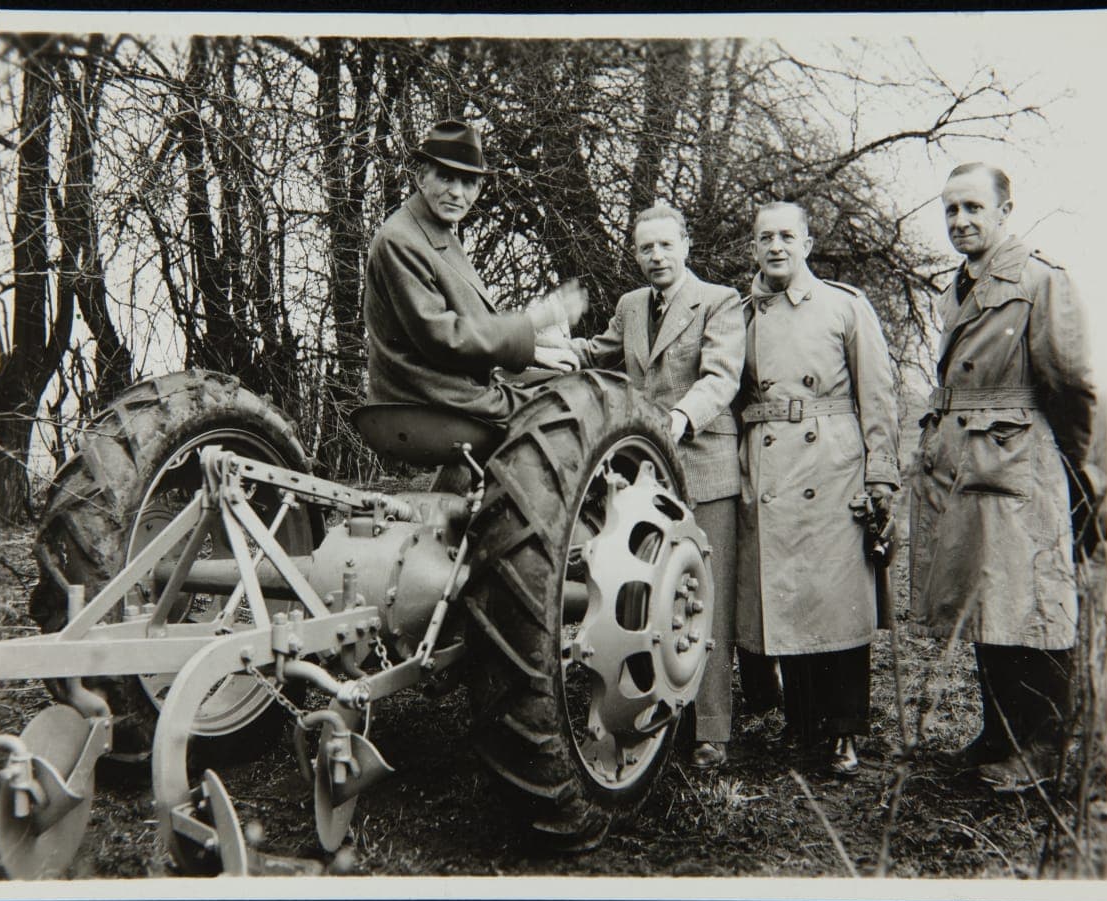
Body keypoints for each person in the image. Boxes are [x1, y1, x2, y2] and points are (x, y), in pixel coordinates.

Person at [538, 203, 778, 770]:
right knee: (650, 596)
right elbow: (598, 353)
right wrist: (549, 345)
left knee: (702, 599)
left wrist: (680, 419)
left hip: (703, 465)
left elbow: (722, 377)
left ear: (685, 246)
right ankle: (655, 718)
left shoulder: (718, 301)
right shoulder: (629, 306)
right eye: (646, 248)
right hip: (644, 478)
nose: (656, 258)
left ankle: (712, 732)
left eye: (666, 246)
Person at [907, 163, 1098, 791]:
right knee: (986, 601)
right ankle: (999, 734)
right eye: (951, 211)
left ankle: (1042, 748)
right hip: (969, 464)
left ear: (1005, 210)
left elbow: (1071, 384)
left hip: (1022, 463)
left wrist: (1078, 475)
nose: (961, 221)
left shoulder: (1040, 281)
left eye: (973, 208)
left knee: (1034, 603)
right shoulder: (958, 286)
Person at [735, 201, 900, 777]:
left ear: (807, 243)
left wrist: (880, 473)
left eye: (786, 236)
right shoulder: (740, 313)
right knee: (787, 595)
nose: (775, 246)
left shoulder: (843, 306)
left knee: (834, 600)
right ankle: (800, 725)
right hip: (766, 463)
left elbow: (877, 394)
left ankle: (843, 732)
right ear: (752, 248)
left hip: (831, 464)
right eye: (764, 237)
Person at [364, 119, 586, 423]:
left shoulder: (434, 232)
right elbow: (445, 338)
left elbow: (470, 326)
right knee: (572, 410)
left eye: (468, 182)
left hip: (446, 391)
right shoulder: (401, 240)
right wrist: (535, 320)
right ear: (421, 178)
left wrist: (533, 349)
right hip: (428, 398)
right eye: (446, 178)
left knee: (568, 389)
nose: (457, 193)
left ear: (479, 188)